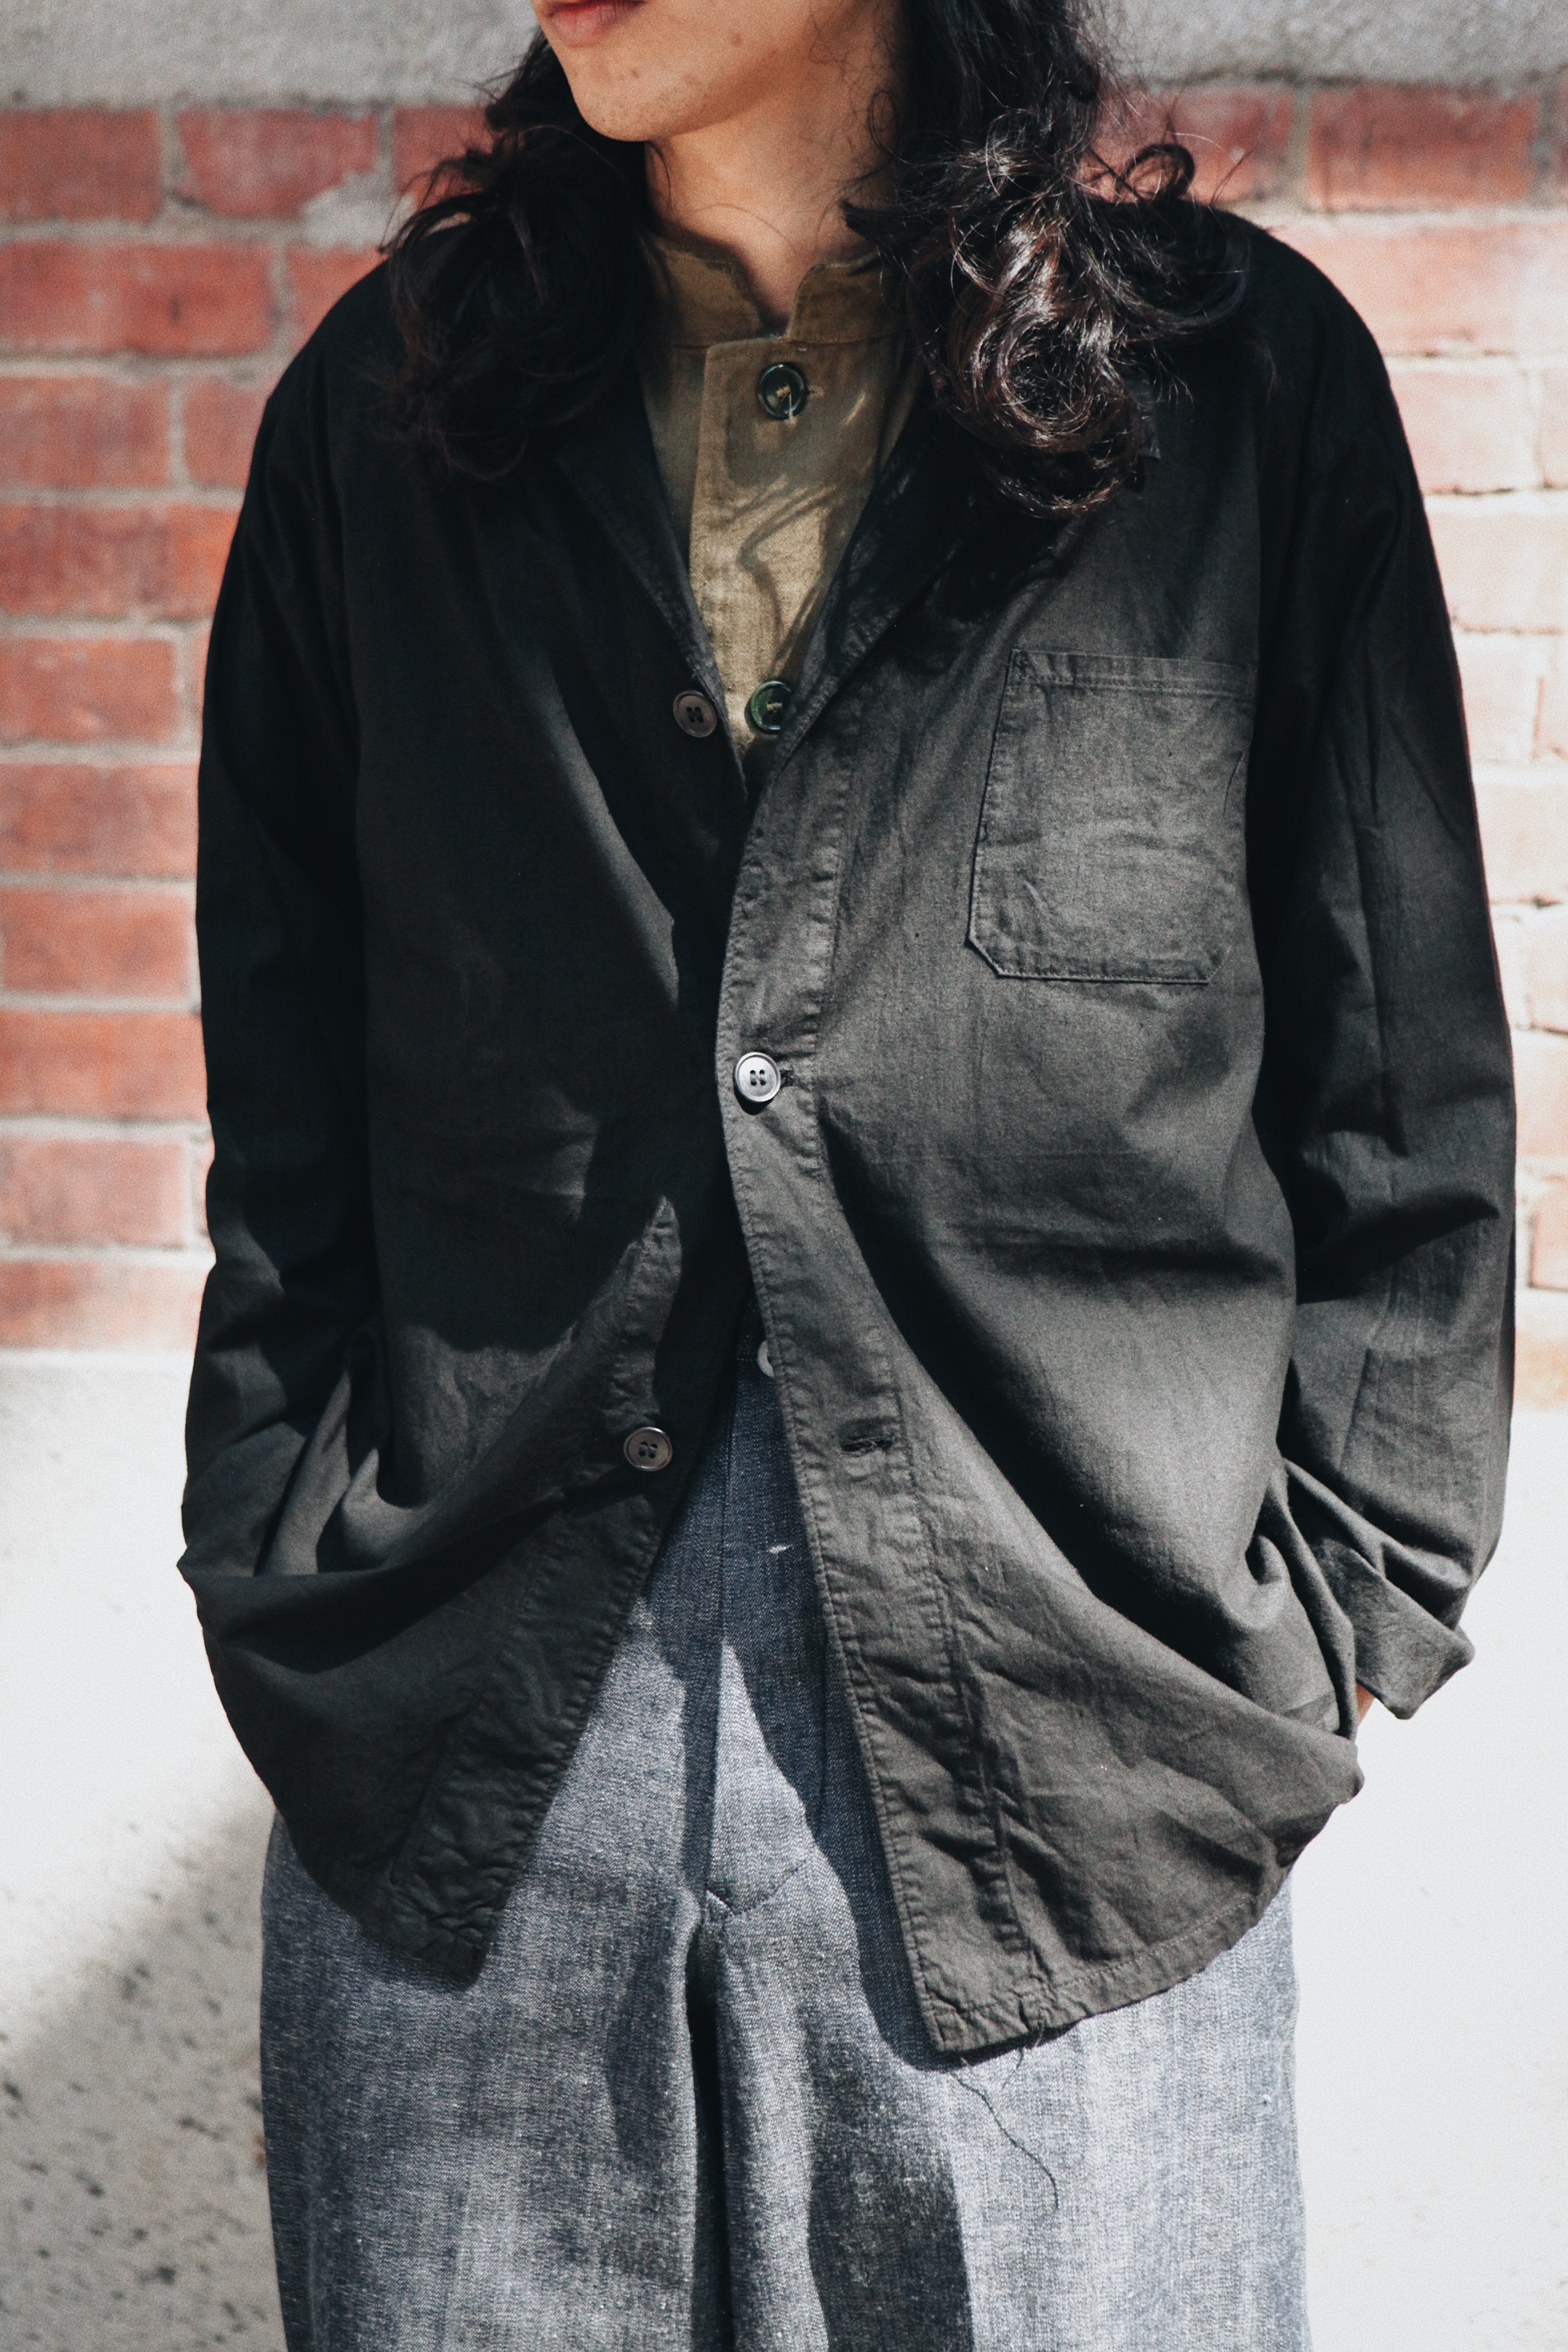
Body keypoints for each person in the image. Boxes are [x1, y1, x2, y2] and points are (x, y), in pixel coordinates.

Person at [180, 0, 1515, 2343]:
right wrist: (288, 1561)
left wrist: (1324, 1617)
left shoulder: (1234, 395)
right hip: (475, 1752)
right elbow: (289, 1105)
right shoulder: (382, 421)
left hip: (1079, 1776)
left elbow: (1395, 1078)